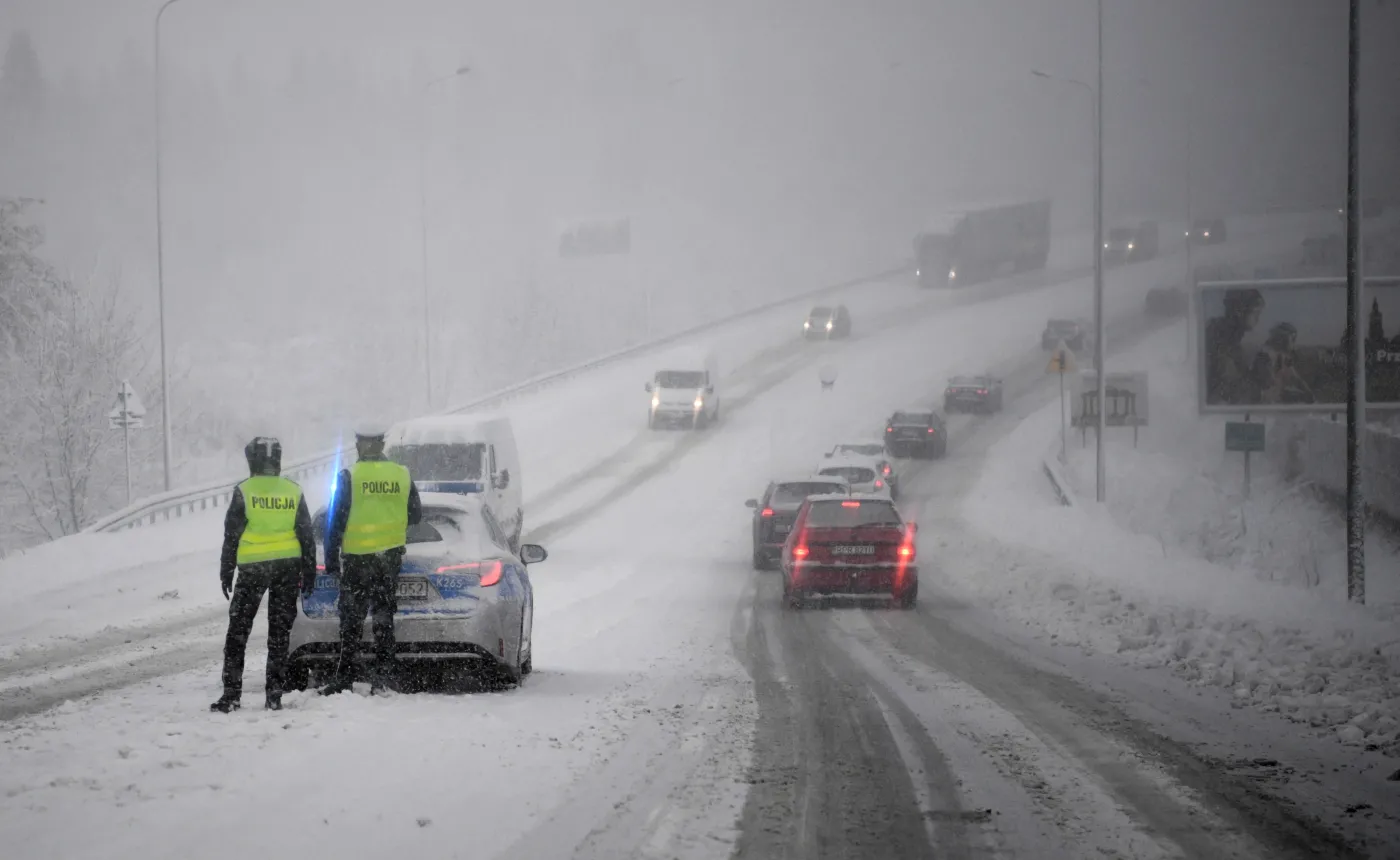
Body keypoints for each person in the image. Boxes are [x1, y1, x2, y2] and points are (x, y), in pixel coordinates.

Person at [212, 437, 317, 713]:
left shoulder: (244, 491)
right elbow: (306, 535)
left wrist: (226, 570)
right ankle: (274, 696)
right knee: (279, 635)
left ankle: (232, 695)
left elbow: (231, 535)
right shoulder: (293, 490)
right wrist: (308, 571)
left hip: (252, 569)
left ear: (252, 460)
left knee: (238, 633)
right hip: (286, 567)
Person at [319, 425, 422, 695]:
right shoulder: (401, 474)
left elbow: (335, 523)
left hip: (357, 560)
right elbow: (416, 514)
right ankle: (384, 677)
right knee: (383, 617)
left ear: (358, 445)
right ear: (382, 444)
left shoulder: (349, 476)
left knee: (351, 621)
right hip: (389, 558)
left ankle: (345, 679)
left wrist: (330, 560)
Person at [1204, 287, 1266, 405]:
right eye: (1255, 312)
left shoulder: (1230, 337)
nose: (1258, 319)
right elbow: (1230, 385)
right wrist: (1260, 392)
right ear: (1240, 311)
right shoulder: (1220, 338)